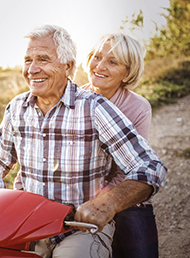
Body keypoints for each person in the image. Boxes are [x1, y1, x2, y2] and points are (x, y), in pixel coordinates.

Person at [0, 24, 167, 258]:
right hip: (26, 223)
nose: (32, 69)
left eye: (43, 59)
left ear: (68, 67)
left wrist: (107, 203)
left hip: (80, 228)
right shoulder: (16, 108)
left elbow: (150, 167)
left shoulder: (95, 107)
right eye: (27, 60)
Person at [83, 33, 158, 258]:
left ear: (127, 73)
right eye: (96, 57)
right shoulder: (74, 99)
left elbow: (131, 168)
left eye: (112, 61)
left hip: (123, 194)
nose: (100, 66)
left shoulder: (138, 107)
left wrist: (104, 199)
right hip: (81, 193)